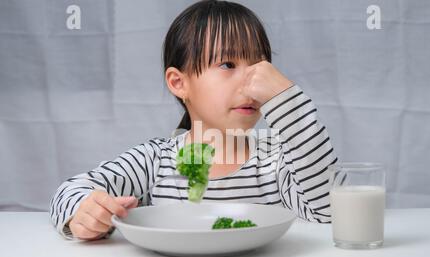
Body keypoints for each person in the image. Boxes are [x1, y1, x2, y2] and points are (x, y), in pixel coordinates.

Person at [50, 0, 338, 240]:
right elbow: (71, 190)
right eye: (228, 64)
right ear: (179, 83)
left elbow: (330, 210)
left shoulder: (277, 159)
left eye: (259, 67)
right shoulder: (156, 160)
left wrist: (288, 100)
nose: (252, 85)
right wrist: (85, 212)